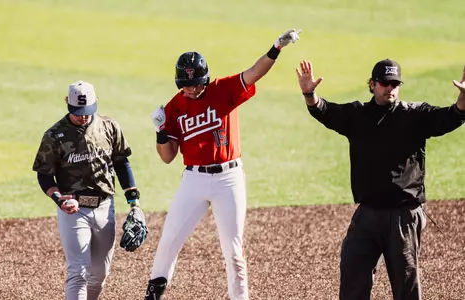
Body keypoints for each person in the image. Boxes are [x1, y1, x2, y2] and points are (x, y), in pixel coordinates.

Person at [143, 28, 301, 300]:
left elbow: (254, 72)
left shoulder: (223, 89)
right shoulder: (175, 107)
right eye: (185, 84)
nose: (190, 89)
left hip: (229, 179)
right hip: (193, 180)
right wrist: (159, 131)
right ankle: (153, 295)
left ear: (205, 79)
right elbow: (168, 156)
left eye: (195, 84)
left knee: (234, 251)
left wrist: (277, 48)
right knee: (169, 241)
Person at [296, 59, 465, 300]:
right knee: (353, 275)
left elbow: (451, 117)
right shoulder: (358, 115)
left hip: (404, 216)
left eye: (395, 83)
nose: (391, 88)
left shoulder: (415, 115)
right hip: (368, 215)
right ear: (373, 85)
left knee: (406, 286)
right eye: (385, 83)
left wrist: (463, 100)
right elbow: (325, 111)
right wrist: (309, 93)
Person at [32, 80, 144, 300]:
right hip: (74, 211)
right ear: (68, 105)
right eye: (77, 112)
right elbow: (44, 174)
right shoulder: (54, 136)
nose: (83, 116)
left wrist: (134, 201)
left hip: (105, 207)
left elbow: (121, 162)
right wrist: (58, 199)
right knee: (78, 272)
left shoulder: (109, 126)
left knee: (100, 274)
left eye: (87, 111)